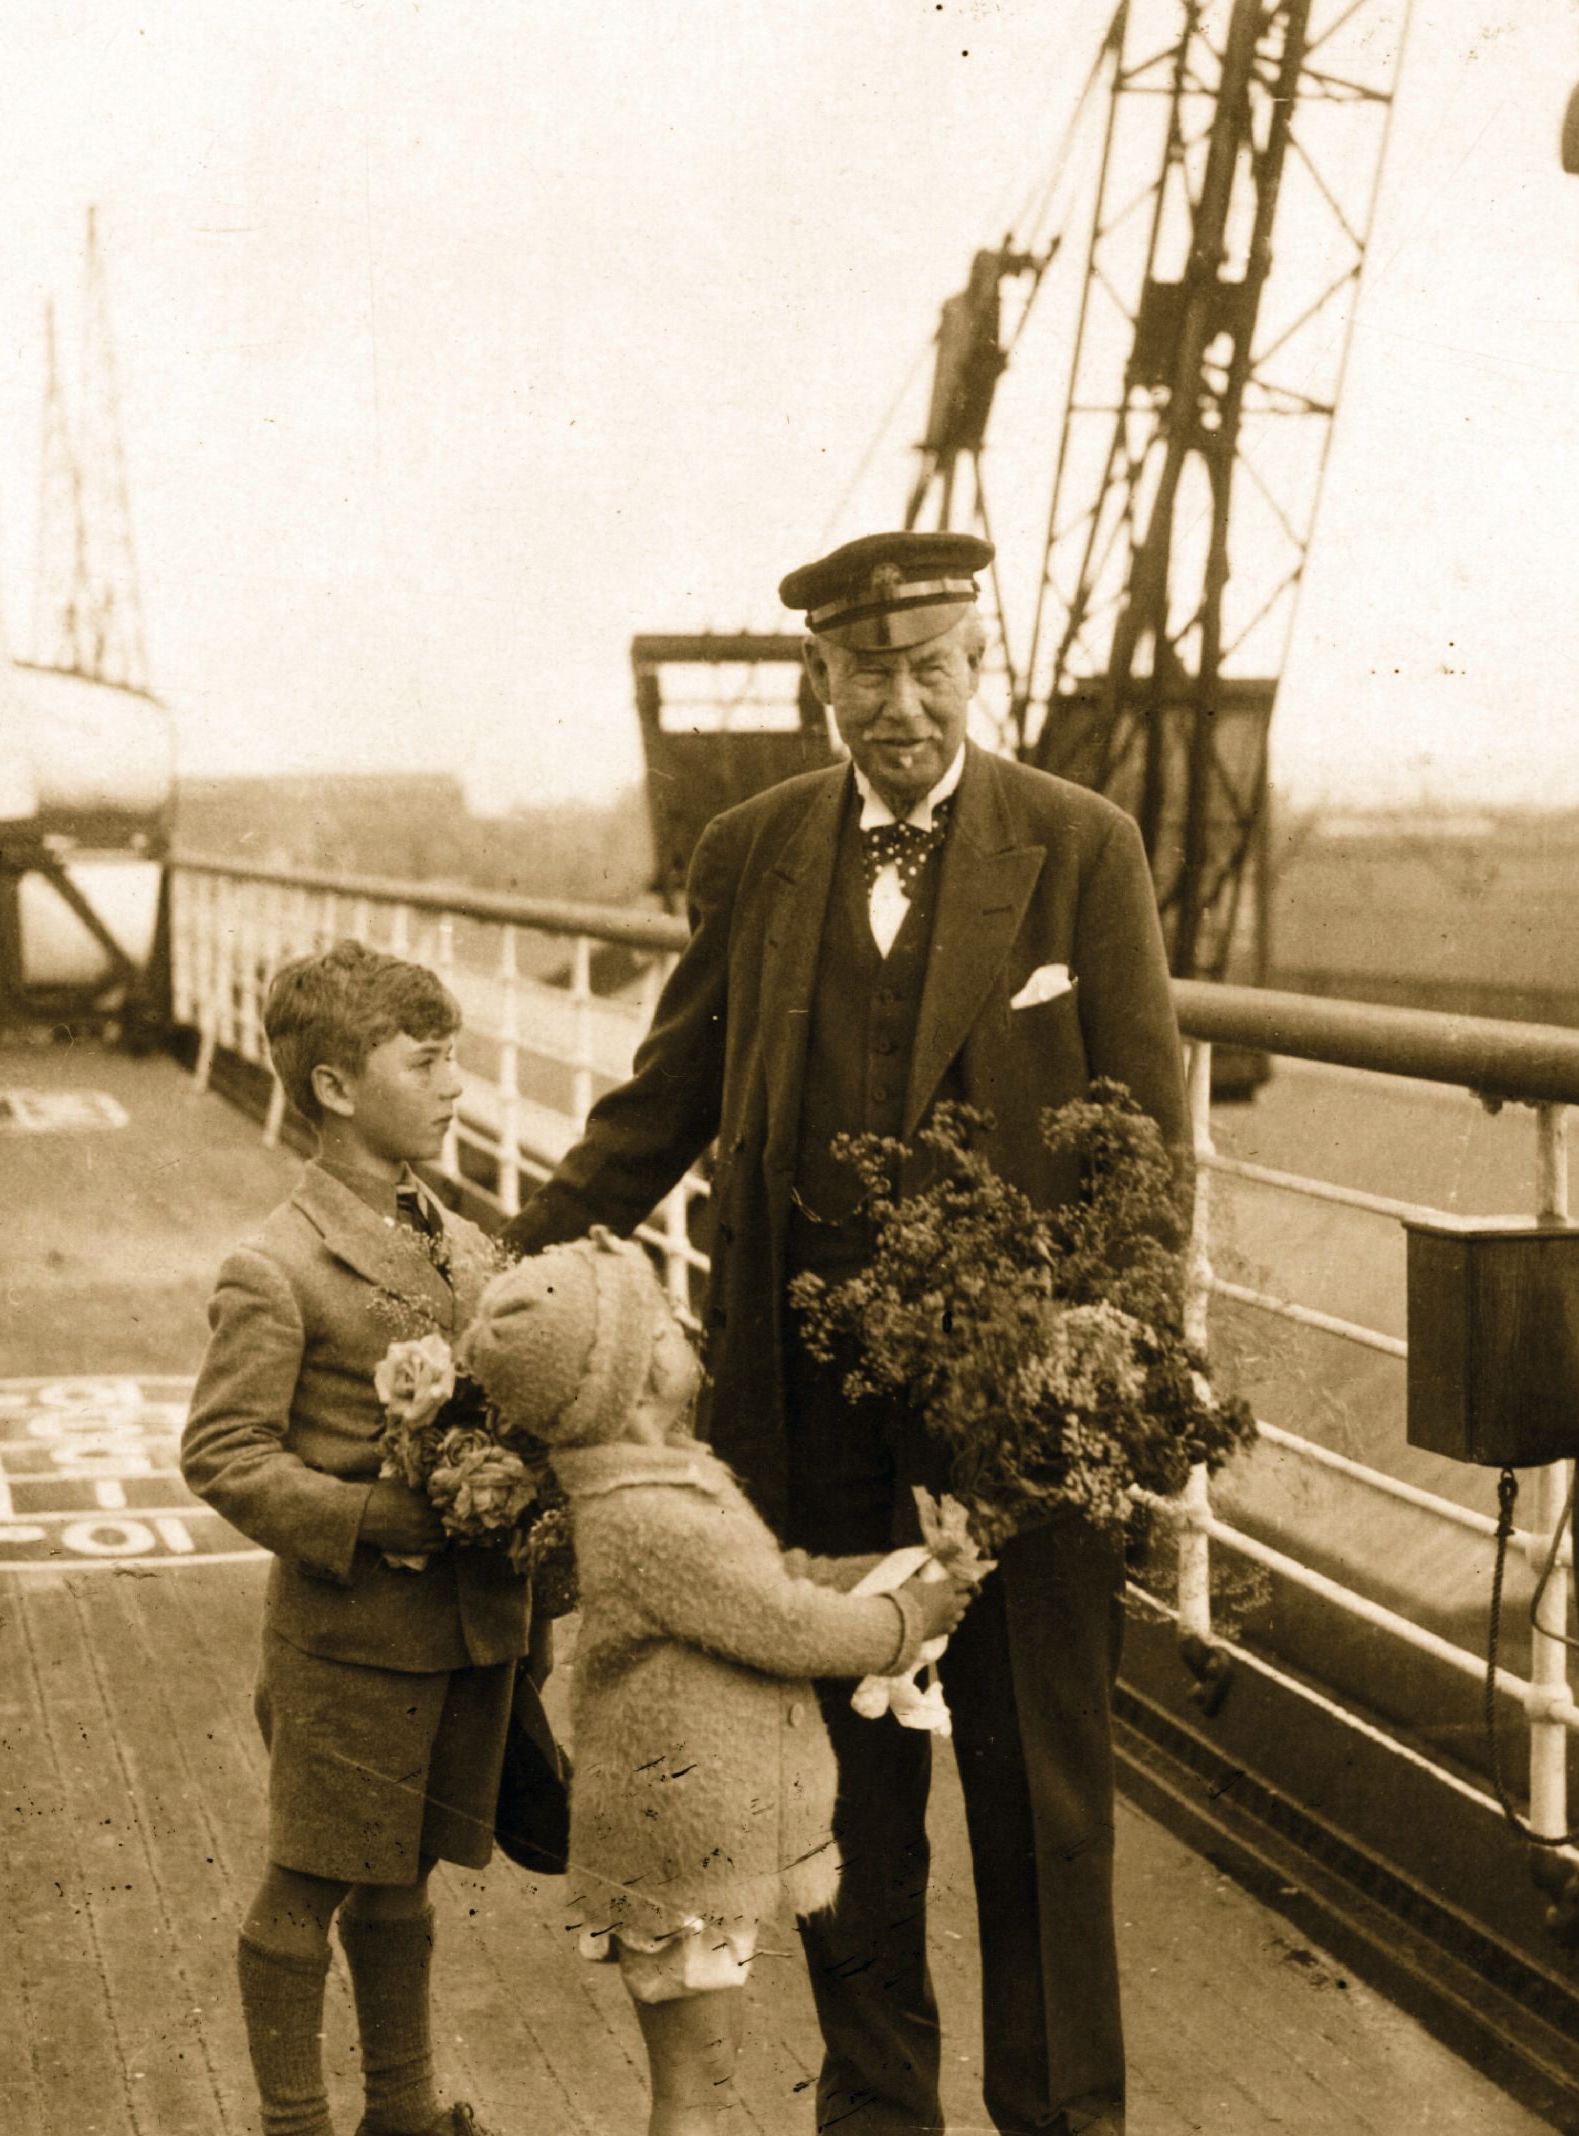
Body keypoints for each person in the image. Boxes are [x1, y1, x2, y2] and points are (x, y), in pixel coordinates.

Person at [508, 530, 1189, 2135]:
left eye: (930, 666)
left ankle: (1063, 2127)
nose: (899, 702)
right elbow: (661, 1101)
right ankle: (878, 2120)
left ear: (979, 664)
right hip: (802, 1430)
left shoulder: (1082, 846)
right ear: (822, 677)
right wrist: (503, 1280)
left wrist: (1115, 1386)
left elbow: (1143, 1158)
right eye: (865, 672)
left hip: (1021, 1434)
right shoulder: (754, 852)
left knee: (1044, 1815)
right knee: (843, 1818)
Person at [456, 1232, 976, 2136]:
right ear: (624, 1383)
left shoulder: (664, 1482)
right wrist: (908, 1620)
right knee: (695, 2097)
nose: (677, 1322)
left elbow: (773, 1578)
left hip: (682, 1848)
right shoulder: (654, 1514)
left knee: (706, 2084)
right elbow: (781, 1623)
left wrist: (889, 1572)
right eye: (655, 1324)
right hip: (679, 1854)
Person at [181, 938, 522, 2136]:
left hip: (458, 1636)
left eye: (453, 1062)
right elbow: (221, 1454)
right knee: (308, 1883)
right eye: (425, 1063)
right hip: (351, 1643)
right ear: (333, 1087)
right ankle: (294, 2126)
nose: (453, 1087)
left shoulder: (458, 1236)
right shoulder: (276, 1266)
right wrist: (371, 1514)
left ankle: (404, 2112)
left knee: (401, 1880)